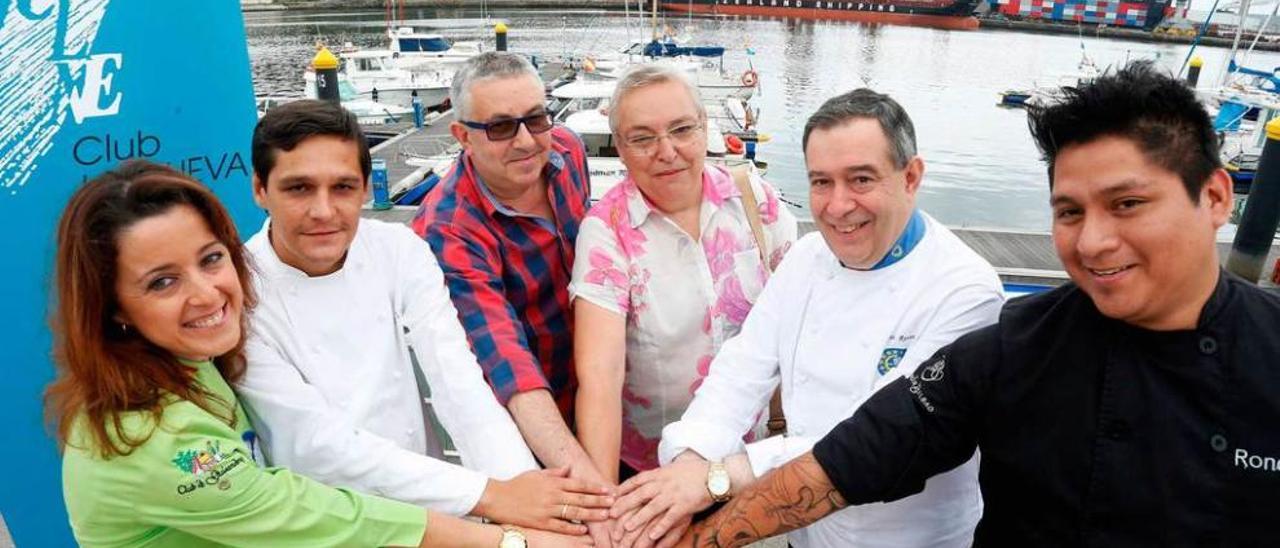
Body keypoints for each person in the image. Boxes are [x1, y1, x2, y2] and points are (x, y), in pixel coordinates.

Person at [676, 61, 1280, 547]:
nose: (1093, 241)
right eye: (1069, 211)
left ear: (1216, 196)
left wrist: (715, 480)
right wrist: (691, 519)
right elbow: (853, 455)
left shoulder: (966, 290)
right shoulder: (1016, 346)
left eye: (1127, 204)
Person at [47, 160, 587, 547]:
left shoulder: (192, 365)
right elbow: (318, 515)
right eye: (163, 282)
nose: (207, 294)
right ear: (112, 305)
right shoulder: (153, 439)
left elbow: (458, 377)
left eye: (211, 260)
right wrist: (510, 537)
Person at [607, 88, 1004, 548]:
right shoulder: (808, 258)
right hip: (806, 531)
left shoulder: (964, 291)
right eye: (821, 182)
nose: (837, 206)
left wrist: (717, 478)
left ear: (911, 176)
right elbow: (741, 369)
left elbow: (872, 441)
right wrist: (688, 463)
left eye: (860, 180)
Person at [233, 99, 612, 535]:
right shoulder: (239, 292)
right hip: (331, 523)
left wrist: (527, 491)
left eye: (342, 188)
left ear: (362, 188)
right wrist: (495, 495)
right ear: (260, 189)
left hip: (436, 501)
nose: (324, 211)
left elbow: (458, 381)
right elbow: (318, 446)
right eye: (299, 188)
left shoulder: (397, 249)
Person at [413, 51, 618, 545]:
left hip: (601, 386)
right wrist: (594, 496)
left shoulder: (566, 151)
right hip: (531, 419)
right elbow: (505, 359)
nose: (527, 141)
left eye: (536, 118)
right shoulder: (449, 228)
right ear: (462, 135)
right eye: (501, 127)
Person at [570, 63, 797, 487]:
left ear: (704, 127)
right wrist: (605, 501)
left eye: (681, 129)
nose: (667, 151)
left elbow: (803, 318)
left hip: (750, 459)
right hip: (656, 471)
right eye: (642, 138)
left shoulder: (755, 202)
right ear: (619, 145)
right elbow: (601, 375)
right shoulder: (607, 234)